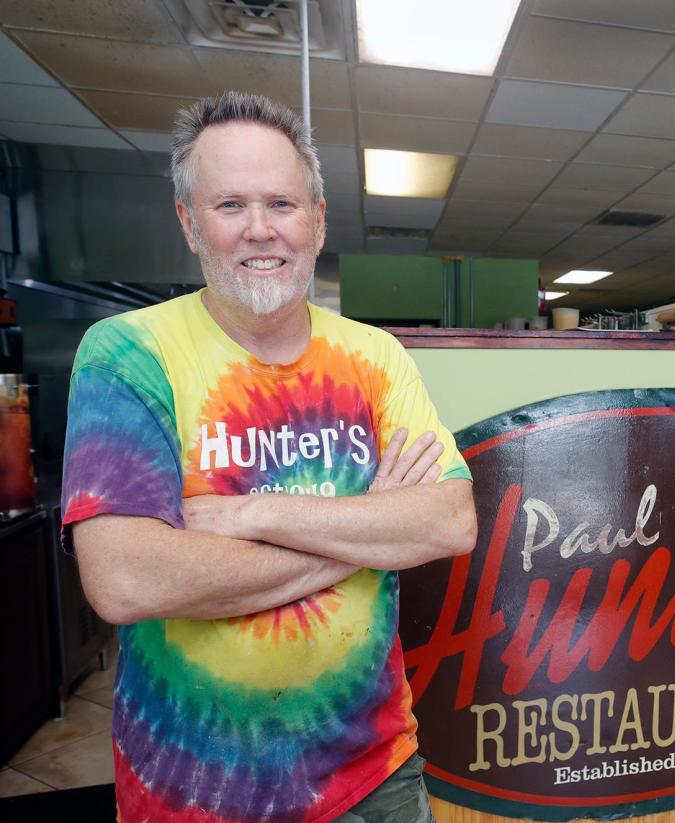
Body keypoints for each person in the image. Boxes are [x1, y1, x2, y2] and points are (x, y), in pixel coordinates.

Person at [61, 91, 477, 823]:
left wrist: (252, 513)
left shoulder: (374, 355)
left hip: (374, 775)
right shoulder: (128, 352)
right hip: (191, 790)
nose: (260, 229)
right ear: (190, 223)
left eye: (282, 203)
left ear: (316, 220)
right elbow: (126, 578)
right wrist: (365, 534)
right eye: (229, 205)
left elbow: (447, 522)